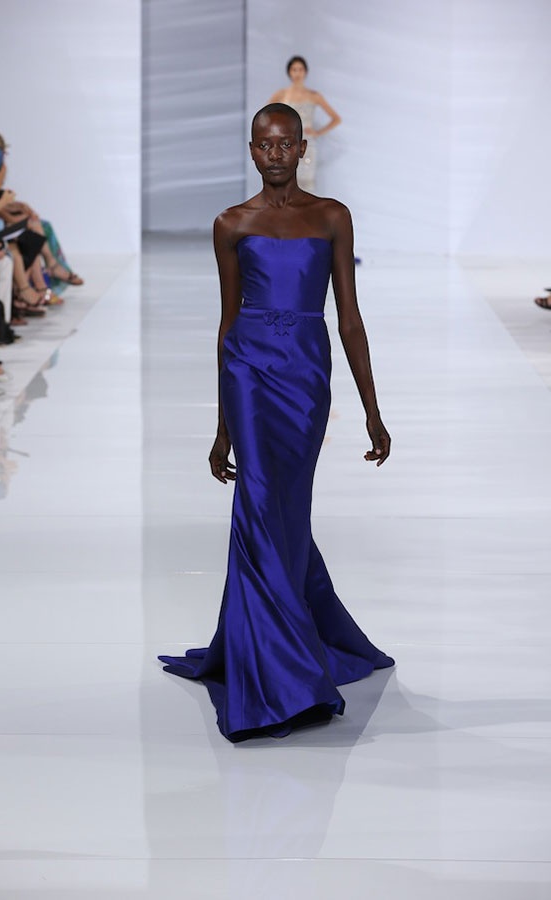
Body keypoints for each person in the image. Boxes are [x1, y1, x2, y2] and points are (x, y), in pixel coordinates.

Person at [159, 104, 394, 743]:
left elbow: (349, 317)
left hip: (306, 378)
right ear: (251, 150)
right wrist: (222, 426)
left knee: (288, 507)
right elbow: (227, 322)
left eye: (286, 144)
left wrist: (371, 409)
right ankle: (280, 674)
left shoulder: (333, 216)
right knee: (258, 503)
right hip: (249, 373)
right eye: (265, 145)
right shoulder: (231, 223)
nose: (275, 154)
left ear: (302, 148)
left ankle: (286, 641)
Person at [268, 56, 341, 193]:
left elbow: (336, 119)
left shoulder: (314, 96)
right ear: (289, 72)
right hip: (286, 145)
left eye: (300, 69)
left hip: (307, 145)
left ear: (305, 72)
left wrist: (318, 132)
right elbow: (266, 117)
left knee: (306, 185)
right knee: (286, 184)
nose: (297, 73)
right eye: (294, 69)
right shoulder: (281, 94)